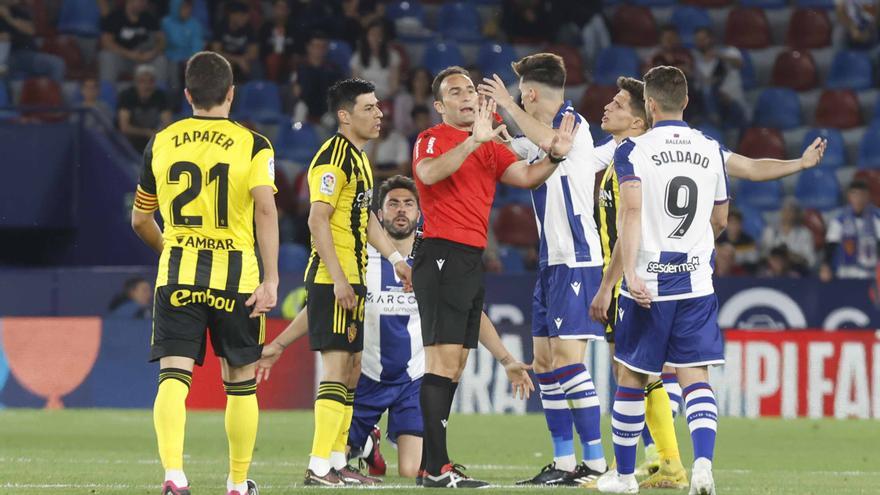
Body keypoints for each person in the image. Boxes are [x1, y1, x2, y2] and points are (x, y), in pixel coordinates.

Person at [593, 66, 825, 495]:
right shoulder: (708, 147)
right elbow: (741, 186)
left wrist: (623, 276)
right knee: (694, 377)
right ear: (686, 102)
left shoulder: (633, 151)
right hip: (696, 283)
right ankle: (702, 468)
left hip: (649, 284)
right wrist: (801, 161)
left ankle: (625, 478)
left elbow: (629, 212)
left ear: (651, 105)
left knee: (631, 378)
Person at [255, 175, 533, 481]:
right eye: (393, 204)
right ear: (380, 213)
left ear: (418, 212)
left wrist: (506, 359)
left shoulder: (430, 260)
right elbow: (322, 308)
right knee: (337, 461)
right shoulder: (362, 257)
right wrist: (279, 345)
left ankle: (373, 442)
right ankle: (367, 444)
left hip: (412, 381)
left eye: (408, 204)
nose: (401, 210)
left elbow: (472, 313)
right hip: (365, 379)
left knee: (413, 470)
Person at [411, 65, 577, 488]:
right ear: (439, 105)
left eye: (469, 89)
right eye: (454, 92)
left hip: (468, 256)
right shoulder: (434, 138)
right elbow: (428, 174)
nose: (466, 96)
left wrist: (555, 156)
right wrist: (472, 141)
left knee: (458, 363)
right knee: (442, 361)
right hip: (441, 252)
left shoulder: (486, 143)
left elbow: (524, 176)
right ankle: (435, 469)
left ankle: (436, 465)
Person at [130, 51, 279, 495]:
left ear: (187, 94)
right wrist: (271, 280)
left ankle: (174, 476)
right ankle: (236, 483)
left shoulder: (160, 141)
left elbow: (140, 220)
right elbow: (267, 210)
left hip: (178, 276)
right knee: (240, 385)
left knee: (174, 379)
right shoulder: (254, 144)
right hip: (239, 281)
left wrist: (171, 249)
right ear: (231, 93)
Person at [478, 53, 609, 486]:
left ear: (530, 93)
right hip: (551, 262)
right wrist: (491, 134)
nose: (516, 99)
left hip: (577, 259)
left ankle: (595, 465)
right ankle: (565, 462)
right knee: (545, 364)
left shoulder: (574, 125)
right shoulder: (536, 135)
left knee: (570, 363)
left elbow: (554, 144)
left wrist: (508, 110)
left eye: (519, 93)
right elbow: (516, 153)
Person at [301, 78, 413, 487]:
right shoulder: (333, 158)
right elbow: (317, 219)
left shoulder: (361, 160)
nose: (379, 113)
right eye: (369, 108)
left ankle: (337, 460)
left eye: (379, 106)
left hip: (354, 277)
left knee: (350, 371)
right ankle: (318, 466)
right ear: (345, 116)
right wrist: (337, 278)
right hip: (335, 278)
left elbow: (366, 220)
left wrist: (397, 259)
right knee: (335, 370)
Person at [821, 179, 880, 281]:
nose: (858, 199)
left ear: (868, 197)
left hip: (871, 274)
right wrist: (825, 266)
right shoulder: (839, 219)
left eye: (862, 195)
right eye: (855, 195)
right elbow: (830, 246)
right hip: (845, 273)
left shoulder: (876, 217)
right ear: (849, 197)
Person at [99, 0, 168, 83]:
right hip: (122, 58)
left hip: (144, 58)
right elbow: (106, 42)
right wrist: (130, 54)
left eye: (145, 2)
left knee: (161, 60)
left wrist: (152, 53)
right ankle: (107, 93)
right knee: (106, 56)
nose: (144, 3)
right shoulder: (114, 16)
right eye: (140, 1)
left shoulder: (149, 17)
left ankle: (159, 93)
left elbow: (161, 40)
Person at [0, 0, 65, 80]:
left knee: (57, 64)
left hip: (26, 54)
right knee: (2, 69)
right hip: (4, 57)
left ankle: (54, 91)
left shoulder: (20, 11)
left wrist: (8, 17)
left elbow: (30, 30)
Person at [117, 65, 173, 152]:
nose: (147, 85)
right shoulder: (127, 96)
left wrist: (155, 134)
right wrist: (148, 132)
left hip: (154, 140)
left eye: (150, 81)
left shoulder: (160, 96)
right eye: (142, 81)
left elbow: (168, 124)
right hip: (130, 142)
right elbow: (124, 127)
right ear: (136, 83)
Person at [760, 197, 816, 271]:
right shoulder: (770, 231)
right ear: (781, 212)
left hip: (796, 272)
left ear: (796, 214)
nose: (787, 214)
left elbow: (811, 261)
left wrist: (790, 256)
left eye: (791, 211)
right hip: (772, 273)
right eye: (785, 210)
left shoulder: (805, 233)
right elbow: (763, 254)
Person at [350, 20, 401, 100]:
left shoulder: (393, 56)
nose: (376, 38)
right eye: (372, 34)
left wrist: (383, 98)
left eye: (379, 35)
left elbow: (394, 85)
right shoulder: (357, 57)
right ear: (366, 36)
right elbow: (356, 83)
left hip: (387, 97)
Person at [161, 0, 204, 94]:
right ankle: (173, 96)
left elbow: (197, 45)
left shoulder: (195, 25)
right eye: (184, 8)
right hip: (170, 58)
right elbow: (163, 44)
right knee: (171, 67)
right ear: (176, 8)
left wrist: (190, 58)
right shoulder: (165, 23)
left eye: (189, 8)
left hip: (188, 58)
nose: (188, 10)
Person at [211, 1, 260, 83]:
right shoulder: (221, 26)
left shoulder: (249, 28)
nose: (245, 19)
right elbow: (216, 51)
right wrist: (237, 60)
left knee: (256, 67)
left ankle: (256, 90)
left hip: (244, 58)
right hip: (225, 58)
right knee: (224, 66)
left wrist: (243, 59)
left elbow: (254, 52)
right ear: (232, 15)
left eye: (246, 16)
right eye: (242, 15)